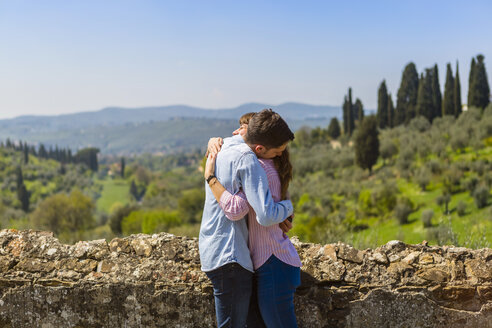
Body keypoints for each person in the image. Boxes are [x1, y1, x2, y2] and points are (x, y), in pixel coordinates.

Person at [199, 109, 295, 328]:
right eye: (278, 151)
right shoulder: (248, 159)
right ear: (260, 147)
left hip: (215, 249)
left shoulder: (224, 146)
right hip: (231, 254)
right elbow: (242, 210)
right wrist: (287, 205)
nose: (280, 155)